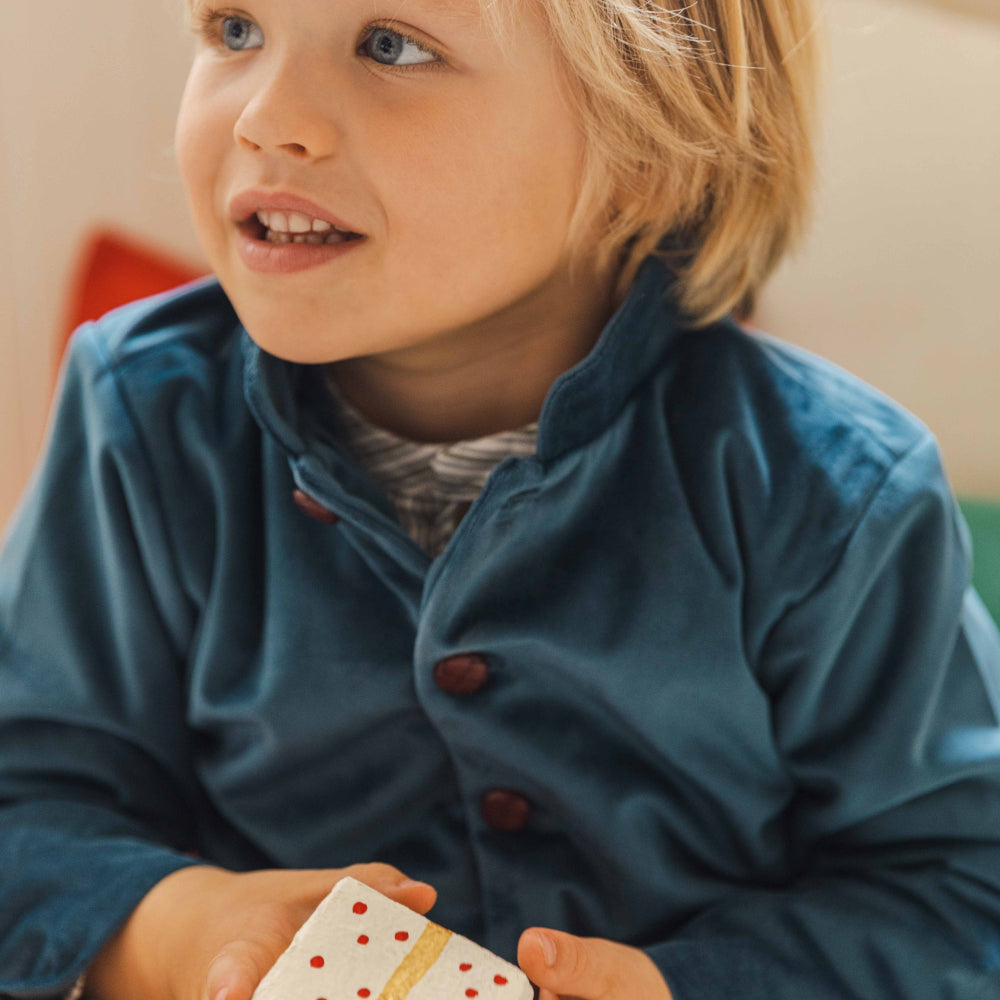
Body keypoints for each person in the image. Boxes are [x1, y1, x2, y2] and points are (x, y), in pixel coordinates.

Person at [1, 0, 998, 998]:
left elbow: (959, 886)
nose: (267, 116)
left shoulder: (836, 494)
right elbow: (28, 799)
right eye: (234, 30)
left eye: (390, 47)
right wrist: (171, 926)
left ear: (647, 147)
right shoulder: (137, 412)